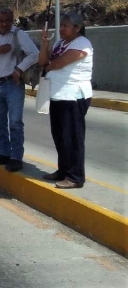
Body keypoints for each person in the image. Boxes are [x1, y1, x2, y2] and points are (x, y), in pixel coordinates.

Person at [0, 8, 38, 172]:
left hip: (13, 84)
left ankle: (16, 157)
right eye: (1, 21)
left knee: (15, 123)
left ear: (12, 20)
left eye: (7, 21)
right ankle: (4, 152)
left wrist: (19, 69)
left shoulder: (19, 35)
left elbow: (35, 54)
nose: (4, 24)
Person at [38, 12, 93, 189]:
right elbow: (43, 61)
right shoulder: (60, 43)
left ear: (77, 28)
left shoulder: (83, 44)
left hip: (73, 96)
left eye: (65, 26)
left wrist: (49, 66)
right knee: (60, 136)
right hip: (58, 95)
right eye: (61, 25)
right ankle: (63, 170)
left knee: (73, 138)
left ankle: (75, 176)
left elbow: (60, 63)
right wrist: (45, 43)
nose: (61, 29)